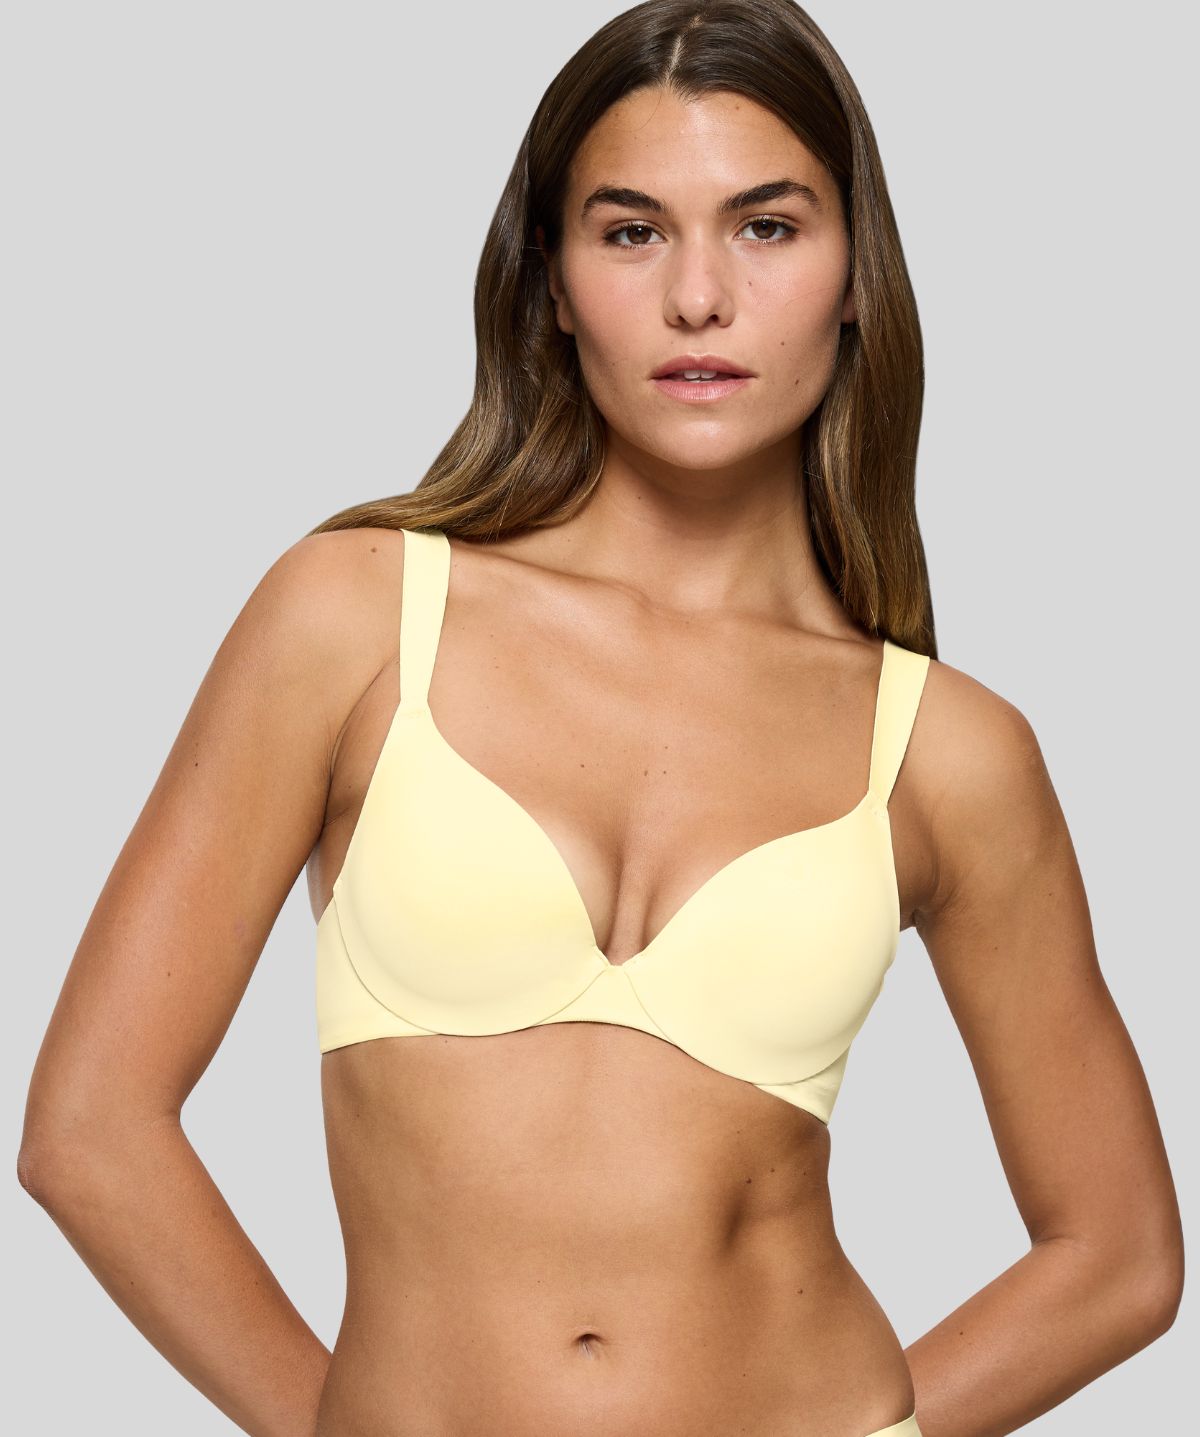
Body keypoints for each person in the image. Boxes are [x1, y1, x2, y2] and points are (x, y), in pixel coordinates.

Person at [18, 2, 1183, 1433]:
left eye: (767, 227)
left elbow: (1117, 1255)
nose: (700, 296)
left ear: (855, 276)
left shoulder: (947, 751)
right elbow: (91, 1130)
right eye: (632, 232)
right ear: (554, 284)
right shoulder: (357, 619)